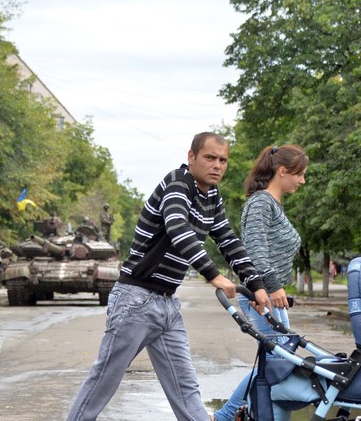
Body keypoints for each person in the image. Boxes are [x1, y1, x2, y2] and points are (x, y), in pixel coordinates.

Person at [67, 132, 272, 421]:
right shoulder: (177, 184)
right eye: (210, 158)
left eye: (223, 160)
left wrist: (257, 286)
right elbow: (177, 227)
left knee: (186, 389)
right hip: (135, 300)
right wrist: (213, 275)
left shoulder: (212, 196)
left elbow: (228, 241)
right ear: (192, 157)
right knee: (104, 381)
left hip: (167, 306)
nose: (217, 165)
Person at [214, 144, 308, 421]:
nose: (302, 180)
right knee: (277, 363)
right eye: (299, 174)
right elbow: (254, 249)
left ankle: (249, 413)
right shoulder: (260, 203)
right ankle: (225, 416)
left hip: (269, 293)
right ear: (282, 171)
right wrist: (270, 286)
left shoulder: (272, 204)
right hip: (262, 293)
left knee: (278, 362)